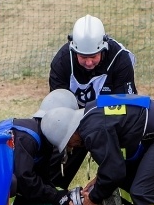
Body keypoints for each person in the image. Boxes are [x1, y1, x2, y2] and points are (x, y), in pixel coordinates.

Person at [48, 15, 137, 185]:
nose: (88, 62)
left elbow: (127, 107)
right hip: (74, 122)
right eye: (82, 57)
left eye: (94, 56)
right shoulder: (62, 62)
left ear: (103, 47)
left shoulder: (120, 59)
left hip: (109, 119)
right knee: (53, 165)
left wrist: (95, 122)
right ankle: (52, 200)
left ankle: (120, 195)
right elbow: (57, 109)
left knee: (122, 163)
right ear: (73, 50)